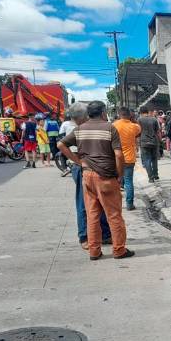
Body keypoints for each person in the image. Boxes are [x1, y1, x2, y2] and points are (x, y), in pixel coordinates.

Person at [57, 100, 133, 260]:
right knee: (114, 215)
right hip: (106, 176)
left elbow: (60, 145)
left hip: (87, 176)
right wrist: (119, 175)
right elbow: (119, 155)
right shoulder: (109, 128)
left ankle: (94, 251)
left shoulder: (79, 130)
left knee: (92, 215)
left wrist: (78, 161)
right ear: (104, 112)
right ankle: (119, 250)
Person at [60, 104, 112, 249]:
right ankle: (85, 237)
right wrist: (79, 162)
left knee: (99, 203)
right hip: (83, 168)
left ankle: (104, 234)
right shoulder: (76, 129)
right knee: (84, 204)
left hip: (92, 168)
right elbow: (61, 145)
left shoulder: (84, 127)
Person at [113, 106, 142, 210]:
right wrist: (132, 119)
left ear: (119, 114)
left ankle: (116, 205)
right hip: (129, 158)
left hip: (116, 158)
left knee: (116, 182)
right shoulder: (134, 126)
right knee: (129, 181)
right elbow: (138, 131)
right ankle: (129, 204)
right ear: (129, 115)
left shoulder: (113, 125)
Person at [138, 106, 161, 182]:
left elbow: (138, 132)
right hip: (154, 141)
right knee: (154, 159)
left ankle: (151, 178)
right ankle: (156, 175)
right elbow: (158, 132)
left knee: (147, 160)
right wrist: (160, 141)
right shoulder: (154, 119)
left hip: (144, 142)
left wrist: (138, 143)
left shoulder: (139, 120)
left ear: (141, 112)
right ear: (147, 111)